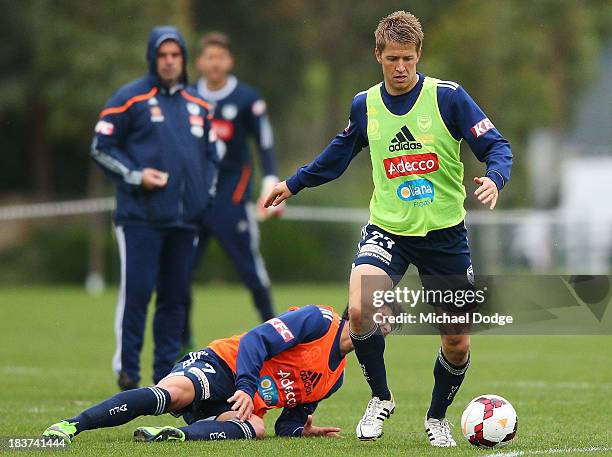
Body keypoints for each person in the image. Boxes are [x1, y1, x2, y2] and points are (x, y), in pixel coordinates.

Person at [265, 11, 512, 447]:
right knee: (360, 308)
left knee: (457, 341)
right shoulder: (365, 105)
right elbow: (337, 156)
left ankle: (437, 418)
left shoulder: (448, 98)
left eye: (408, 59)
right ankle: (380, 397)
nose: (401, 68)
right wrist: (293, 183)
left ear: (419, 56)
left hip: (444, 236)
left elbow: (496, 145)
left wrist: (494, 176)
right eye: (392, 58)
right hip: (388, 230)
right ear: (377, 55)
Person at [42, 303, 399, 443]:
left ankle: (172, 436)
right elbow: (257, 340)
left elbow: (285, 424)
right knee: (174, 394)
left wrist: (303, 430)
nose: (379, 332)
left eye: (386, 330)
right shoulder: (318, 320)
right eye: (379, 320)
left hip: (237, 404)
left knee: (255, 428)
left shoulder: (335, 379)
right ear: (356, 311)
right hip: (221, 364)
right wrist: (245, 385)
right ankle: (73, 426)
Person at [90, 26, 219, 391]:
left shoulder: (199, 106)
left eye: (175, 55)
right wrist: (135, 175)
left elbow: (212, 157)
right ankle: (128, 371)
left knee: (176, 299)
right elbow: (101, 146)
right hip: (140, 219)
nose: (168, 62)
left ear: (183, 60)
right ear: (152, 58)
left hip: (185, 221)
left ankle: (166, 376)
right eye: (162, 55)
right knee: (138, 294)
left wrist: (203, 195)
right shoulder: (129, 99)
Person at [181, 31, 283, 352]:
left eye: (220, 57)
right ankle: (182, 345)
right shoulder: (185, 98)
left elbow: (264, 144)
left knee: (252, 273)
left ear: (230, 61)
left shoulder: (247, 100)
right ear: (199, 62)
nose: (214, 63)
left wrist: (270, 181)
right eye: (209, 57)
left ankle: (278, 337)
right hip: (194, 203)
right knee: (179, 274)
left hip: (233, 202)